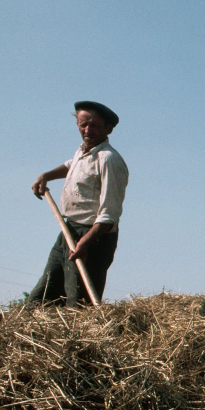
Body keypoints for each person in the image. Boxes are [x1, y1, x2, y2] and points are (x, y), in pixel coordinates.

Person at [28, 101, 129, 306]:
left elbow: (109, 215)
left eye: (94, 125)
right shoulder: (83, 152)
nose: (87, 130)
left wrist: (85, 243)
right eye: (83, 124)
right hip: (68, 230)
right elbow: (70, 165)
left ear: (108, 128)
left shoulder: (109, 159)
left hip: (93, 237)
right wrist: (47, 175)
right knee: (45, 293)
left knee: (78, 303)